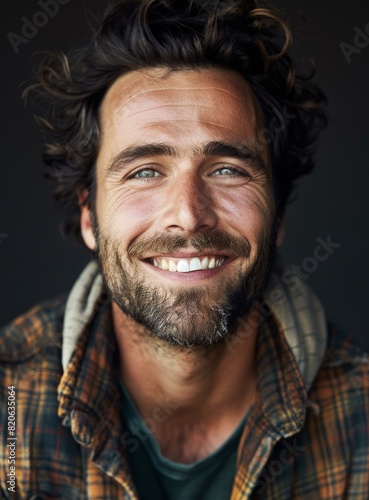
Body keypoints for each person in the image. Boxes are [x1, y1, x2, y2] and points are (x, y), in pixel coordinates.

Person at [0, 0, 368, 498]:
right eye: (144, 171)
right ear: (89, 215)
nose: (189, 214)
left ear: (278, 214)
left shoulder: (361, 411)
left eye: (227, 170)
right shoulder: (9, 404)